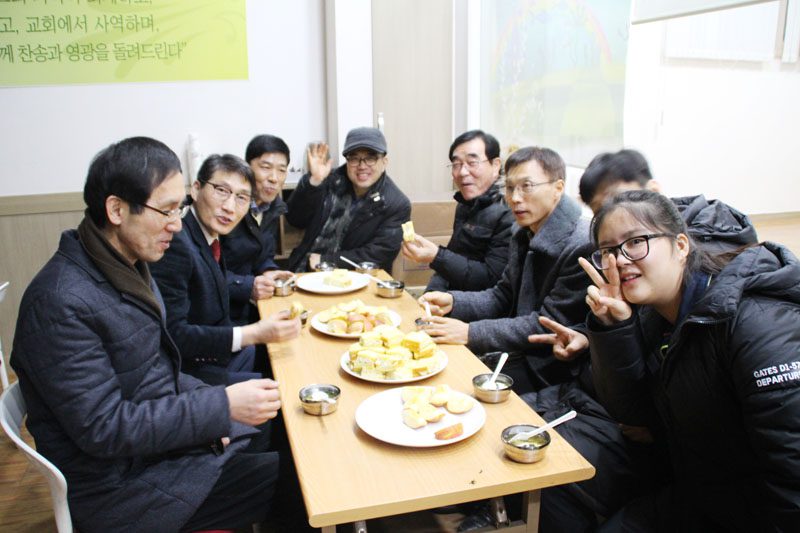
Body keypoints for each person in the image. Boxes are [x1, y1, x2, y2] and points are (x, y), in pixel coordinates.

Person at [10, 137, 285, 532]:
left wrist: (212, 417)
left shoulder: (127, 266)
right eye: (166, 211)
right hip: (118, 490)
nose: (177, 224)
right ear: (116, 209)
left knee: (281, 430)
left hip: (152, 453)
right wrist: (219, 407)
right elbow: (105, 429)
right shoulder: (59, 303)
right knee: (293, 478)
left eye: (178, 209)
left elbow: (158, 374)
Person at [576, 189, 800, 531]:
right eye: (608, 250)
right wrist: (614, 326)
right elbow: (633, 413)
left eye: (635, 242)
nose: (619, 260)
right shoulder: (654, 313)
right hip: (703, 494)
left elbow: (791, 477)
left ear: (681, 246)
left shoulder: (755, 323)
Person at [419, 146, 592, 394]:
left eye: (527, 186)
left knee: (455, 386)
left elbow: (546, 324)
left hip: (550, 369)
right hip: (516, 351)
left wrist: (470, 332)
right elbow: (502, 295)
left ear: (558, 188)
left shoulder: (580, 244)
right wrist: (454, 302)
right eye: (510, 188)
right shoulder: (522, 231)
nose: (515, 198)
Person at [151, 153, 300, 385]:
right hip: (191, 373)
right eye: (221, 190)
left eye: (241, 197)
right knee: (284, 388)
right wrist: (255, 332)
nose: (230, 207)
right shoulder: (176, 243)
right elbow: (174, 335)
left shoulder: (208, 233)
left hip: (216, 352)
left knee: (288, 357)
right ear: (196, 189)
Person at [579, 148, 758, 253]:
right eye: (599, 211)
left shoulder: (711, 242)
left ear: (654, 191)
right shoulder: (616, 250)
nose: (611, 214)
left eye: (620, 200)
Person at [285, 127, 411, 273]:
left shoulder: (397, 204)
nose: (362, 166)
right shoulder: (328, 180)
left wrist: (327, 260)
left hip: (358, 277)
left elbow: (380, 254)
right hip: (307, 271)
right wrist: (314, 182)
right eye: (354, 158)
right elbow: (295, 219)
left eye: (370, 158)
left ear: (384, 162)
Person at [400, 130, 514, 292]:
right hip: (451, 297)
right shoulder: (465, 203)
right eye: (456, 164)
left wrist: (436, 256)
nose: (462, 172)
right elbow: (449, 266)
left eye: (472, 162)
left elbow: (492, 280)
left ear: (495, 166)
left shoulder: (509, 212)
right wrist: (429, 296)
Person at [222, 134, 295, 325]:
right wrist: (248, 286)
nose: (274, 178)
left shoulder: (272, 208)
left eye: (281, 170)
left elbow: (262, 256)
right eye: (266, 167)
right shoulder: (227, 208)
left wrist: (268, 270)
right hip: (223, 312)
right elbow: (207, 272)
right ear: (247, 168)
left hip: (252, 305)